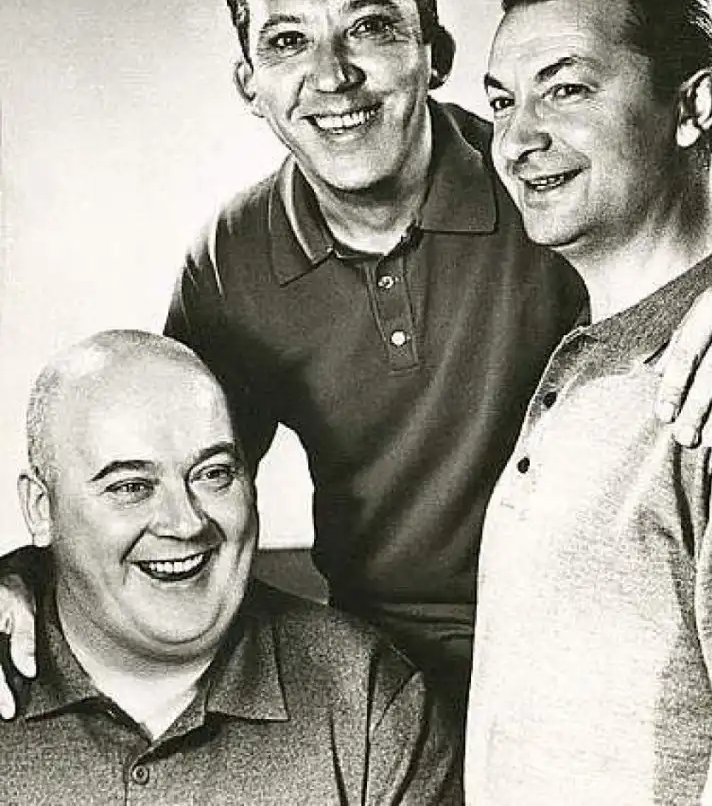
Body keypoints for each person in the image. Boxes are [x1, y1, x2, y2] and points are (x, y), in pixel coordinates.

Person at [3, 0, 712, 724]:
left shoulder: (538, 180)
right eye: (287, 42)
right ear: (249, 84)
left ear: (434, 54)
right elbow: (172, 483)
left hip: (583, 646)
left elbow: (677, 246)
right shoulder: (233, 255)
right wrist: (31, 573)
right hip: (375, 674)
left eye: (369, 28)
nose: (332, 77)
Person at [465, 0, 712, 805]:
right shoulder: (585, 352)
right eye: (502, 101)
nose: (518, 139)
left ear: (693, 105)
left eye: (567, 88)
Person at [1, 330, 461, 805]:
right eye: (131, 486)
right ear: (40, 508)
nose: (186, 522)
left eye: (214, 474)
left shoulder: (366, 698)